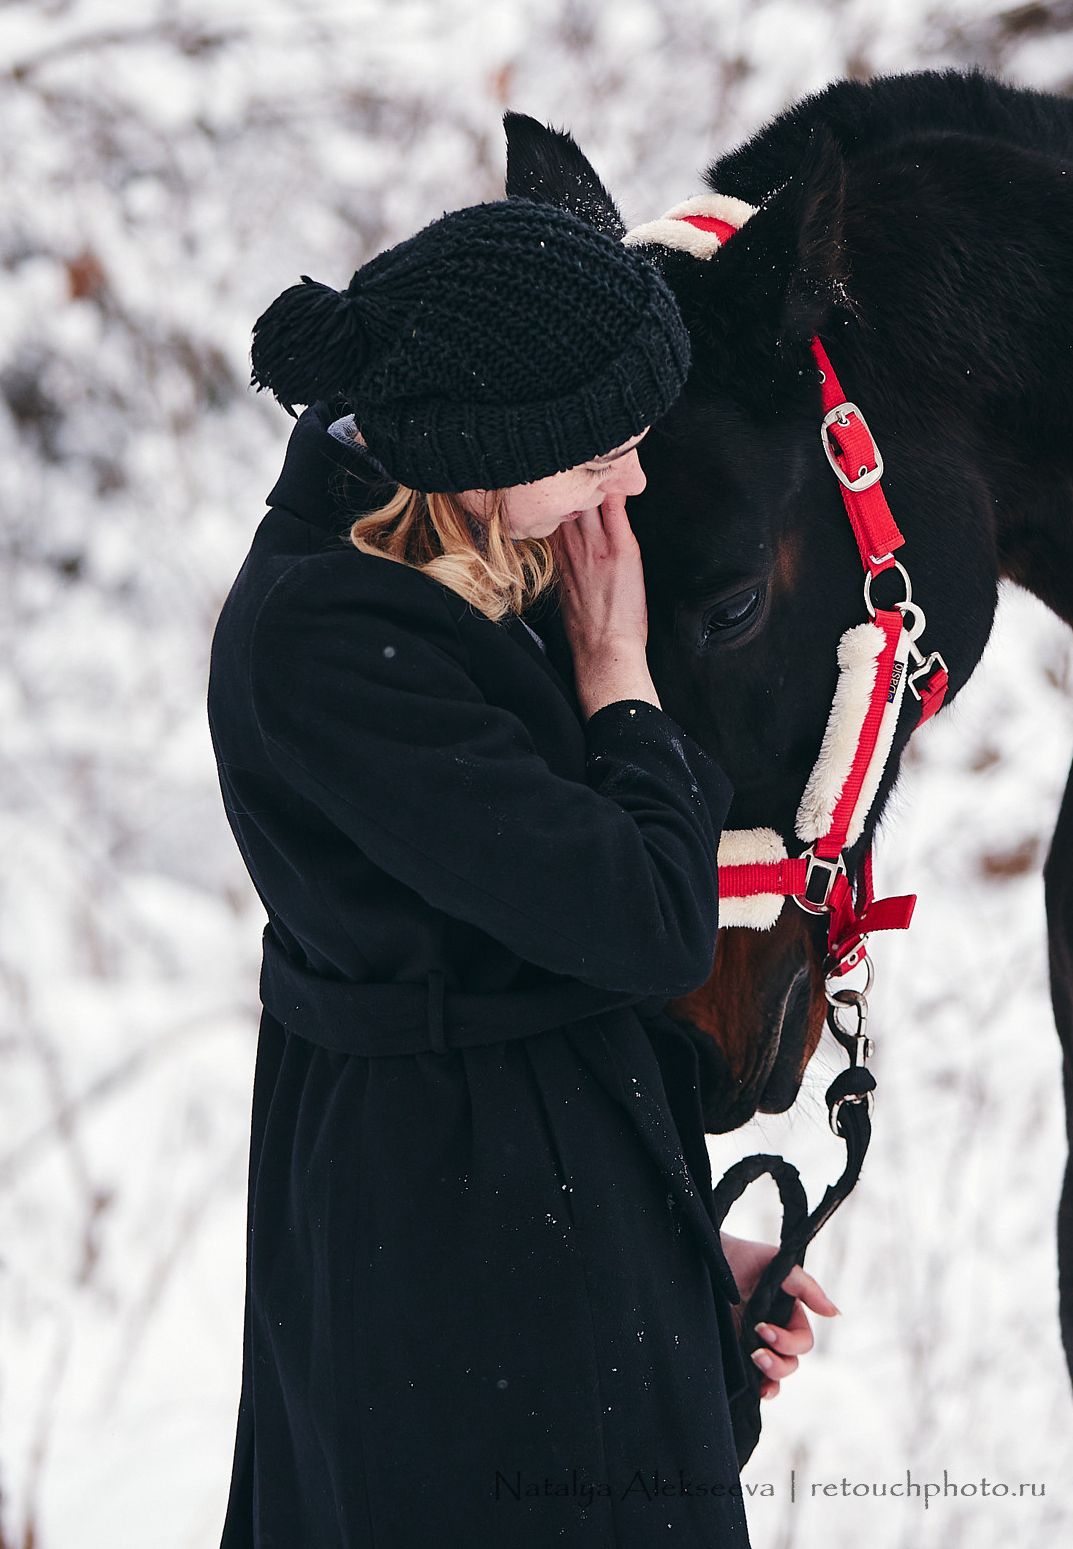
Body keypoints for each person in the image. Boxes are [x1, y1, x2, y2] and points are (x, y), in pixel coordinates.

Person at [210, 198, 836, 1548]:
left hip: (534, 1219)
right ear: (490, 450)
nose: (632, 487)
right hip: (447, 1251)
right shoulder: (327, 646)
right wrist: (623, 681)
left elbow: (558, 962)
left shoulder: (467, 568)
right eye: (603, 454)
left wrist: (669, 1271)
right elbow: (653, 923)